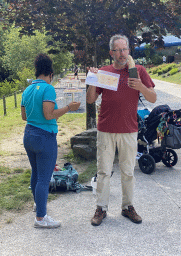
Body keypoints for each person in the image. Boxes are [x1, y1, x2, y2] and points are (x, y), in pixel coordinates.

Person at [86, 34, 156, 226]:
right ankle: (101, 208)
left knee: (128, 171)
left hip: (129, 129)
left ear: (129, 50)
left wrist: (140, 85)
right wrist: (92, 79)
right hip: (106, 129)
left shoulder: (138, 70)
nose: (122, 53)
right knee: (103, 171)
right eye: (117, 50)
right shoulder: (104, 72)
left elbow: (153, 98)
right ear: (111, 53)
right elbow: (90, 100)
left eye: (124, 49)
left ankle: (128, 207)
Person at [21, 53, 80, 228]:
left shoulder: (27, 89)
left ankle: (37, 204)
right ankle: (41, 218)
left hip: (29, 134)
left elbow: (24, 116)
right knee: (44, 178)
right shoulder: (48, 88)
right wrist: (69, 107)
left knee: (36, 172)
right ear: (51, 73)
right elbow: (49, 115)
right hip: (44, 136)